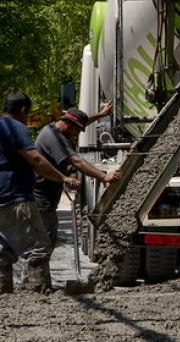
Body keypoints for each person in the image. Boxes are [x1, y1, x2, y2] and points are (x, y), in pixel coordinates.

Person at [0, 91, 81, 294]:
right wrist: (64, 178)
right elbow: (35, 159)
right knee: (39, 247)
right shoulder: (16, 128)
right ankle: (38, 292)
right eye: (28, 114)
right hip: (16, 198)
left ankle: (0, 291)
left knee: (2, 249)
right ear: (23, 110)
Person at [33, 103, 119, 258]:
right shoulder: (54, 138)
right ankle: (36, 281)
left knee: (45, 242)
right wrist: (103, 176)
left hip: (44, 199)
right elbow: (77, 161)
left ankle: (35, 279)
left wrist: (101, 114)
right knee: (43, 246)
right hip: (41, 200)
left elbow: (82, 121)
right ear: (69, 124)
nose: (77, 134)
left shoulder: (55, 129)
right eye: (77, 130)